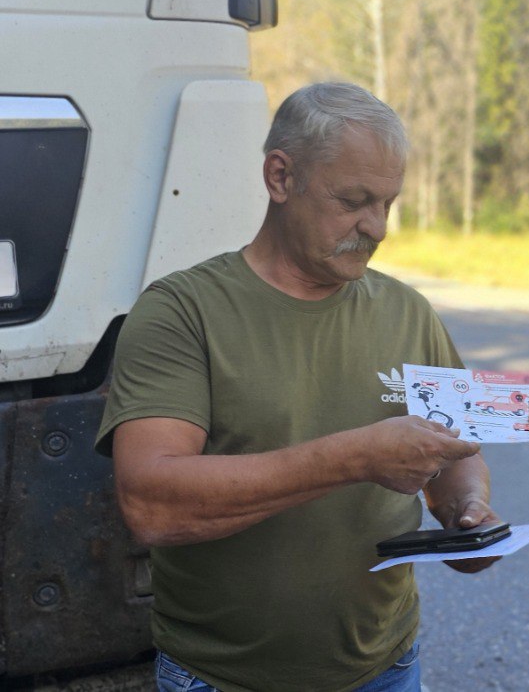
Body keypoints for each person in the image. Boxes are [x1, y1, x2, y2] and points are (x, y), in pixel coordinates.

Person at [95, 82, 499, 692]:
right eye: (354, 201)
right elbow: (153, 505)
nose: (377, 227)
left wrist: (467, 513)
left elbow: (454, 454)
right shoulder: (181, 312)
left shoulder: (409, 311)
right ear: (280, 178)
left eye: (388, 203)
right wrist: (355, 457)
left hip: (386, 667)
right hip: (222, 678)